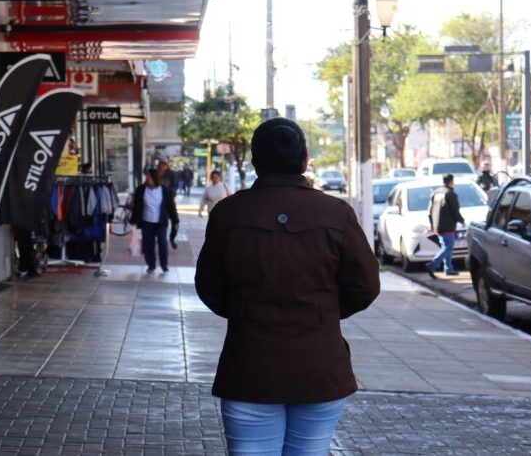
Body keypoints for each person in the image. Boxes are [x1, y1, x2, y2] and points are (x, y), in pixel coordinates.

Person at [195, 117, 380, 455]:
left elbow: (209, 287)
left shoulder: (228, 214)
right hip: (320, 367)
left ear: (254, 162)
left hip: (249, 365)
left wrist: (245, 311)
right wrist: (322, 313)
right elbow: (365, 286)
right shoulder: (336, 213)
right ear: (304, 160)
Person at [129, 168, 179, 274]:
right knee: (148, 245)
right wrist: (133, 221)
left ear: (155, 178)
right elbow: (136, 207)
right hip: (146, 223)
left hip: (161, 223)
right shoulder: (141, 190)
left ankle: (164, 265)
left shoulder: (165, 190)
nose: (147, 179)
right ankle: (151, 265)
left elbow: (171, 207)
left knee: (162, 243)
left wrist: (175, 221)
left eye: (149, 177)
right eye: (146, 177)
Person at [426, 173, 465, 278]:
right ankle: (433, 265)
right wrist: (462, 220)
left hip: (437, 225)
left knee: (446, 246)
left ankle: (448, 268)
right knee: (448, 247)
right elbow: (455, 211)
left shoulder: (436, 193)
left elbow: (429, 211)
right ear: (451, 182)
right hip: (448, 225)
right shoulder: (450, 194)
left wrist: (432, 224)